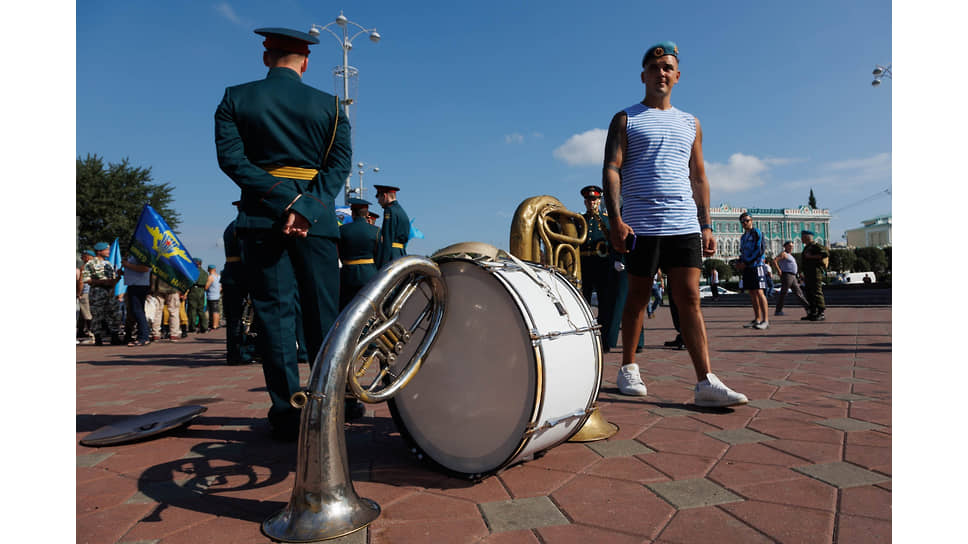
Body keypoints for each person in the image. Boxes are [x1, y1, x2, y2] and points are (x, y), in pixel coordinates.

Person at [215, 27, 354, 440]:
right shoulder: (329, 104)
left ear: (266, 58)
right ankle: (335, 402)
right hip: (317, 223)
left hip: (261, 218)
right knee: (324, 316)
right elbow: (340, 165)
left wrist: (282, 202)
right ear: (305, 62)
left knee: (274, 316)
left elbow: (232, 161)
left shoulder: (235, 98)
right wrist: (307, 207)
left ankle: (287, 411)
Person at [602, 40, 747, 407]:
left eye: (668, 68)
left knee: (690, 298)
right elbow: (612, 169)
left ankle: (705, 381)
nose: (661, 73)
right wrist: (615, 219)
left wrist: (707, 224)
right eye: (655, 68)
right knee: (635, 297)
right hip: (640, 223)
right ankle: (629, 367)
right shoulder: (626, 118)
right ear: (643, 76)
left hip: (682, 222)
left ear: (677, 76)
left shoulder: (690, 123)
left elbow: (698, 176)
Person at [221, 217, 257, 365]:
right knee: (242, 318)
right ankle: (240, 352)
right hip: (240, 276)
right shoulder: (242, 225)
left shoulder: (231, 226)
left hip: (230, 275)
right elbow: (245, 254)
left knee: (233, 319)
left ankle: (233, 352)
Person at [577, 185, 615, 328]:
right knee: (583, 298)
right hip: (584, 264)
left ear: (599, 201)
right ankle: (585, 325)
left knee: (603, 299)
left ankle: (604, 328)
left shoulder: (607, 221)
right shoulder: (579, 220)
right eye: (588, 200)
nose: (591, 202)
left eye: (594, 199)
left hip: (602, 265)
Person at [339, 198, 380, 309]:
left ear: (352, 213)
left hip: (348, 274)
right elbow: (379, 255)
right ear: (367, 214)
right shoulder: (376, 231)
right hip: (369, 274)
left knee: (346, 308)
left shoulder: (342, 230)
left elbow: (339, 252)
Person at [82, 242, 123, 346]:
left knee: (114, 314)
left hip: (109, 293)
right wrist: (102, 282)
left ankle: (115, 337)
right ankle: (98, 338)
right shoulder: (90, 264)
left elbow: (112, 280)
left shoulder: (108, 264)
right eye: (106, 250)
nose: (108, 252)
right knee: (97, 315)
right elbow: (86, 279)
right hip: (97, 292)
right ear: (99, 251)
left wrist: (118, 277)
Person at [737, 212, 769, 330]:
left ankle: (765, 320)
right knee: (752, 293)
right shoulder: (743, 237)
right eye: (743, 222)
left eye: (747, 220)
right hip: (747, 268)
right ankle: (757, 319)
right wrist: (739, 262)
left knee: (759, 292)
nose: (745, 223)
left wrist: (748, 262)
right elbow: (742, 251)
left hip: (757, 266)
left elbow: (760, 250)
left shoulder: (756, 232)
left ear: (751, 221)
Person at [374, 184, 410, 267]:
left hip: (391, 256)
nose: (378, 201)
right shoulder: (400, 210)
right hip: (400, 254)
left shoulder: (389, 210)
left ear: (385, 196)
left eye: (378, 197)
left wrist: (382, 263)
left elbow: (388, 238)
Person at [772, 240, 809, 317]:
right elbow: (774, 261)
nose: (791, 247)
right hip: (787, 275)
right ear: (785, 246)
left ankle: (808, 308)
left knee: (798, 292)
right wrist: (779, 270)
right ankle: (778, 310)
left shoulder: (790, 255)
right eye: (790, 246)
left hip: (793, 276)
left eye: (792, 246)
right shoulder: (783, 254)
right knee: (784, 293)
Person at [122, 253, 152, 346]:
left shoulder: (142, 254)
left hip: (139, 285)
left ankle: (143, 337)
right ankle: (142, 336)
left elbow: (145, 268)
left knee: (138, 311)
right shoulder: (134, 255)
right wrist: (124, 271)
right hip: (133, 284)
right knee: (136, 311)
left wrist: (127, 265)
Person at [800, 230, 828, 321]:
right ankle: (813, 312)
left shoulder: (815, 246)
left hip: (815, 273)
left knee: (816, 292)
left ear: (807, 237)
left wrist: (811, 257)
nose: (801, 239)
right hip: (808, 273)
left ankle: (821, 312)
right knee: (809, 293)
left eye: (803, 237)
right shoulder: (807, 247)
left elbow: (825, 254)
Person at [77, 250, 96, 344]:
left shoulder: (85, 267)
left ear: (88, 257)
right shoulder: (97, 265)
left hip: (85, 293)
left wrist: (78, 293)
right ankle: (82, 332)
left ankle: (92, 335)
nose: (81, 258)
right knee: (84, 314)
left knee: (87, 315)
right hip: (94, 292)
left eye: (83, 256)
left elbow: (81, 282)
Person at [186, 258, 209, 334]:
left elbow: (189, 281)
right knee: (201, 310)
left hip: (193, 290)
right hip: (202, 291)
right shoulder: (205, 273)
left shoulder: (193, 271)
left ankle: (192, 327)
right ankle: (204, 327)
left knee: (192, 310)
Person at [205, 264, 221, 331]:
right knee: (216, 311)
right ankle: (216, 324)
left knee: (212, 311)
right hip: (217, 295)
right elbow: (221, 287)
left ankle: (213, 325)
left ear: (209, 269)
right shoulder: (219, 276)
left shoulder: (210, 277)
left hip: (211, 296)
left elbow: (206, 286)